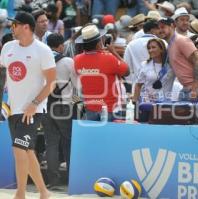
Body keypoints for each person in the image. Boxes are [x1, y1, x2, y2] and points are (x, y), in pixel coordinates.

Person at [1, 11, 56, 199]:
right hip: (13, 108)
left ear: (25, 26)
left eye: (14, 24)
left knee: (18, 149)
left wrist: (34, 104)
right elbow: (2, 75)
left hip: (32, 110)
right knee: (28, 151)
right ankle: (44, 192)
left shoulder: (43, 50)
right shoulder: (7, 46)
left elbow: (51, 83)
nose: (11, 27)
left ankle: (20, 194)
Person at [42, 33, 77, 190]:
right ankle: (71, 179)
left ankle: (52, 180)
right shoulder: (68, 61)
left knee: (51, 143)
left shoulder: (42, 60)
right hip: (63, 106)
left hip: (45, 105)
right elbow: (78, 85)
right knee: (67, 141)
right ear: (61, 45)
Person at [74, 24, 129, 121]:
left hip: (90, 107)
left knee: (94, 136)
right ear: (98, 43)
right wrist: (114, 52)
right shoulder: (109, 58)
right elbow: (127, 71)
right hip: (111, 108)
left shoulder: (77, 60)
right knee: (112, 136)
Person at [158, 17, 198, 101]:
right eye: (158, 28)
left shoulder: (181, 40)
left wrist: (195, 88)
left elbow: (197, 62)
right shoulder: (170, 45)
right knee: (181, 113)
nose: (160, 30)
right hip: (188, 88)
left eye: (163, 27)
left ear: (172, 26)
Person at [133, 38, 175, 103]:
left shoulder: (171, 66)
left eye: (153, 47)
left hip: (166, 103)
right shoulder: (145, 65)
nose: (150, 50)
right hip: (148, 103)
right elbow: (138, 85)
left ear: (161, 49)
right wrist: (135, 101)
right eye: (149, 48)